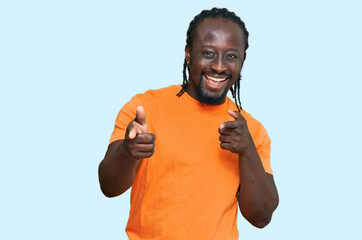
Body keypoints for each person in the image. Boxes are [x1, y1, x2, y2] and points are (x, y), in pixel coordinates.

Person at [98, 7, 279, 240]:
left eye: (231, 56)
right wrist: (128, 151)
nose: (219, 66)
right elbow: (108, 187)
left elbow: (261, 217)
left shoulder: (251, 130)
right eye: (208, 53)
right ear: (188, 53)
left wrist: (247, 152)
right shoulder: (145, 109)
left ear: (242, 61)